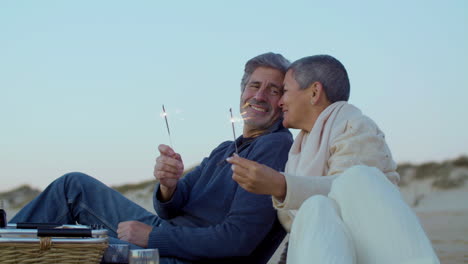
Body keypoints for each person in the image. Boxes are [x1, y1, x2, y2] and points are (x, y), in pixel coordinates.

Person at [10, 52, 294, 264]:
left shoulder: (275, 146)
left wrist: (151, 237)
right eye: (254, 86)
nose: (260, 96)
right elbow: (170, 207)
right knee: (72, 186)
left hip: (190, 256)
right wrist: (169, 185)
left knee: (72, 191)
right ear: (242, 91)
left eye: (273, 90)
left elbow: (238, 240)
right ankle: (6, 243)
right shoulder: (226, 148)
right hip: (172, 236)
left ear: (283, 102)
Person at [227, 55, 440, 264]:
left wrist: (282, 186)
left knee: (356, 179)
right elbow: (305, 235)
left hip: (372, 252)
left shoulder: (355, 127)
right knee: (316, 207)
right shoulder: (299, 151)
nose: (280, 101)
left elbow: (351, 193)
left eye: (284, 91)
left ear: (314, 92)